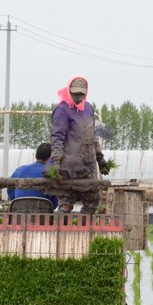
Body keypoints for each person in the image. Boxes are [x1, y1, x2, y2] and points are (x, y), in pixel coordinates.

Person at [50, 75, 110, 214]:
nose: (78, 97)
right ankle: (61, 233)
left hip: (88, 165)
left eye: (81, 94)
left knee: (92, 203)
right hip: (69, 165)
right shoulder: (62, 110)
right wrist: (56, 161)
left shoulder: (88, 108)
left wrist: (100, 159)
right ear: (69, 90)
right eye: (75, 94)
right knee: (66, 204)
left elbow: (92, 135)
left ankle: (86, 233)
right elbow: (57, 137)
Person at [7, 142, 59, 210]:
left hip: (19, 215)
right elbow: (55, 202)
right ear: (51, 158)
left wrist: (18, 200)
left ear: (36, 155)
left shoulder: (19, 170)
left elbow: (10, 190)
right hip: (44, 216)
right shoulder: (52, 174)